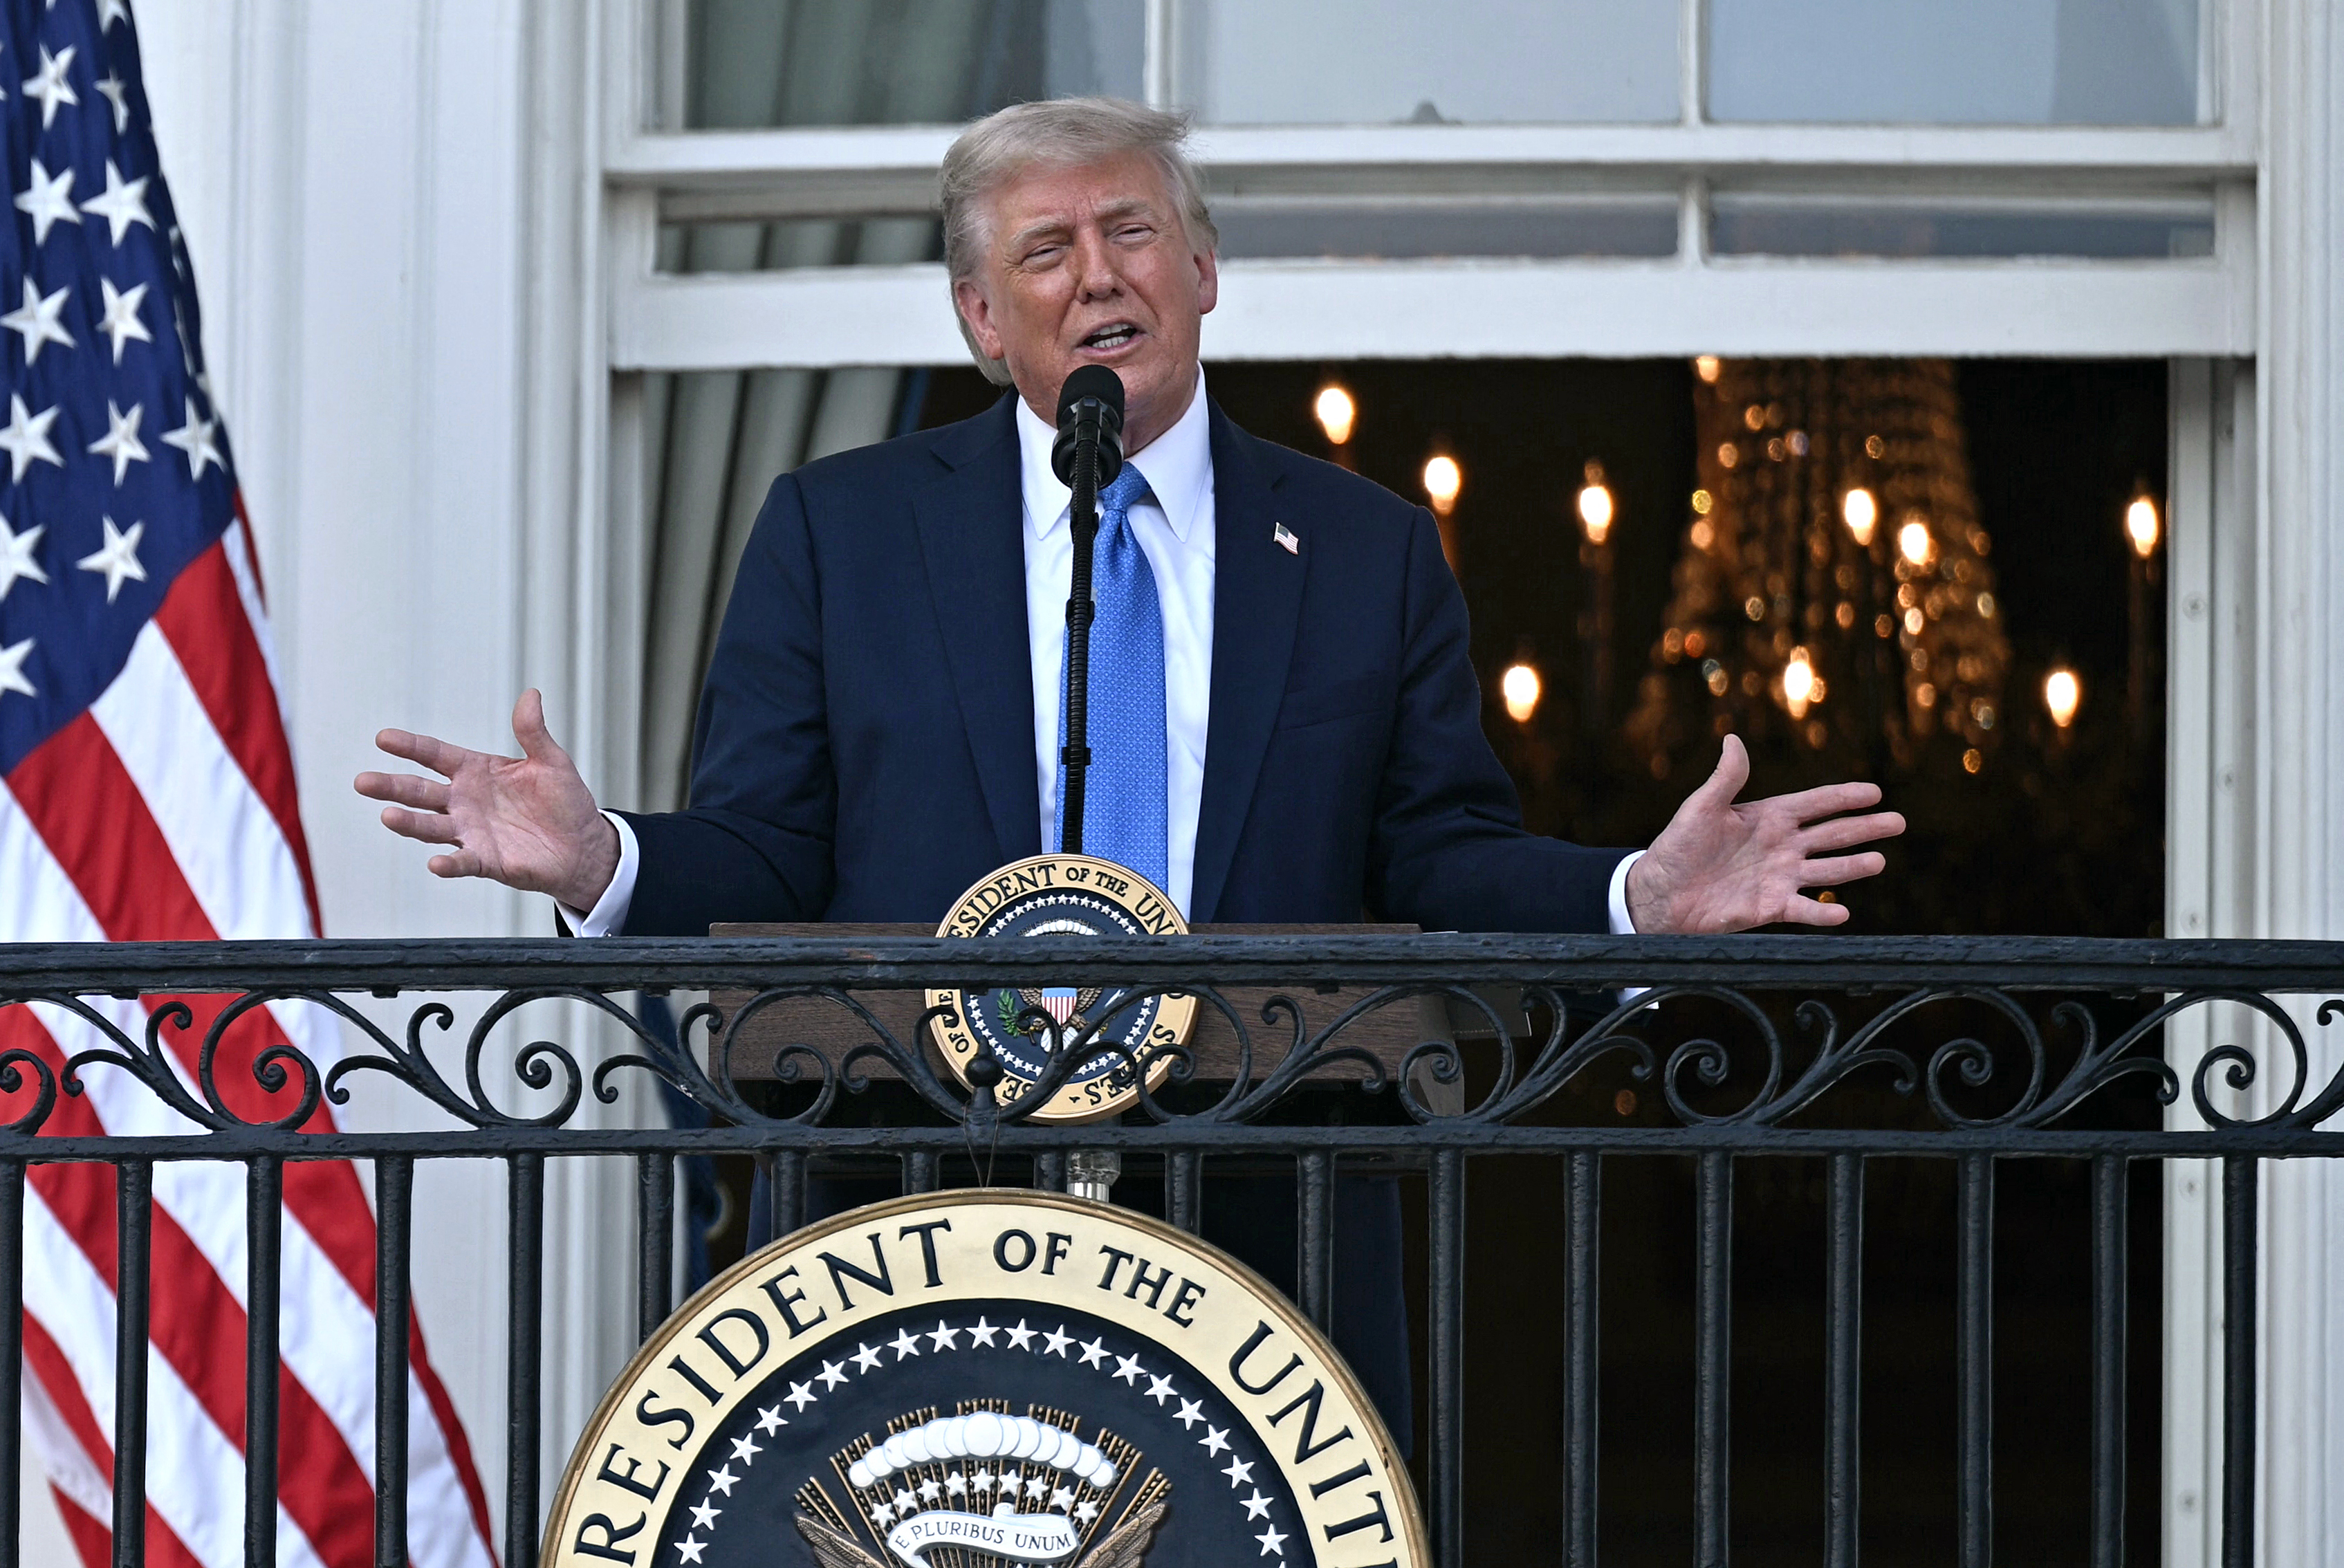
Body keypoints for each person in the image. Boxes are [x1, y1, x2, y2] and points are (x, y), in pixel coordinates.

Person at [354, 97, 1903, 1436]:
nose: (1100, 275)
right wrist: (604, 859)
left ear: (1206, 269)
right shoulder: (841, 532)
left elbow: (1438, 856)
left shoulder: (1363, 550)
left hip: (1267, 1241)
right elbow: (770, 852)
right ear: (979, 316)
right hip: (914, 1227)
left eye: (1134, 232)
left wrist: (1631, 892)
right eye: (1046, 250)